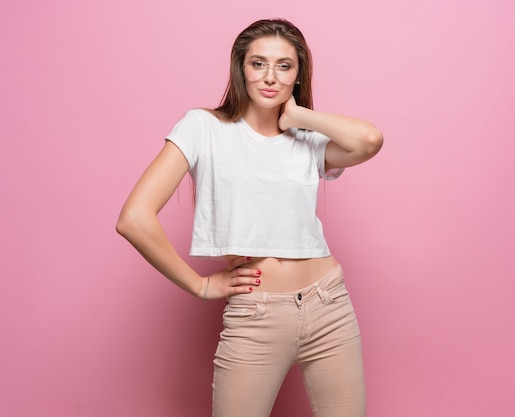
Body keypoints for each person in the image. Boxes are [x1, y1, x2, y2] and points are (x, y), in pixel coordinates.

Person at [116, 18, 383, 417]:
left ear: (298, 75)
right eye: (258, 64)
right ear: (240, 68)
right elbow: (134, 218)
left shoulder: (308, 140)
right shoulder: (203, 127)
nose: (270, 77)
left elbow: (369, 141)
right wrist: (199, 285)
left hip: (329, 305)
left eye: (284, 66)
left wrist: (299, 118)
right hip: (256, 314)